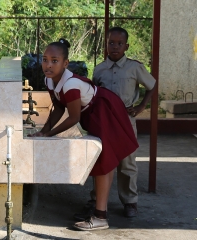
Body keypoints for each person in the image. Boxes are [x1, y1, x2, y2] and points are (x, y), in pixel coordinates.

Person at [29, 38, 139, 230]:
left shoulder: (70, 84)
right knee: (101, 160)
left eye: (54, 61)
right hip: (93, 112)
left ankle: (100, 217)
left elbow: (73, 118)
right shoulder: (50, 79)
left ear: (65, 63)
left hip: (105, 111)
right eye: (45, 59)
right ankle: (98, 208)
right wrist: (43, 131)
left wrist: (50, 134)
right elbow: (58, 107)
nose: (48, 65)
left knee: (105, 162)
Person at [90, 26, 156, 218]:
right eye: (111, 43)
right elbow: (94, 92)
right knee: (102, 160)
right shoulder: (99, 69)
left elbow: (151, 85)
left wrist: (141, 106)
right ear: (106, 45)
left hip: (126, 119)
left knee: (127, 162)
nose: (115, 47)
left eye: (119, 44)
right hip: (104, 121)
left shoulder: (135, 67)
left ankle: (130, 201)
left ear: (126, 46)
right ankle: (97, 199)